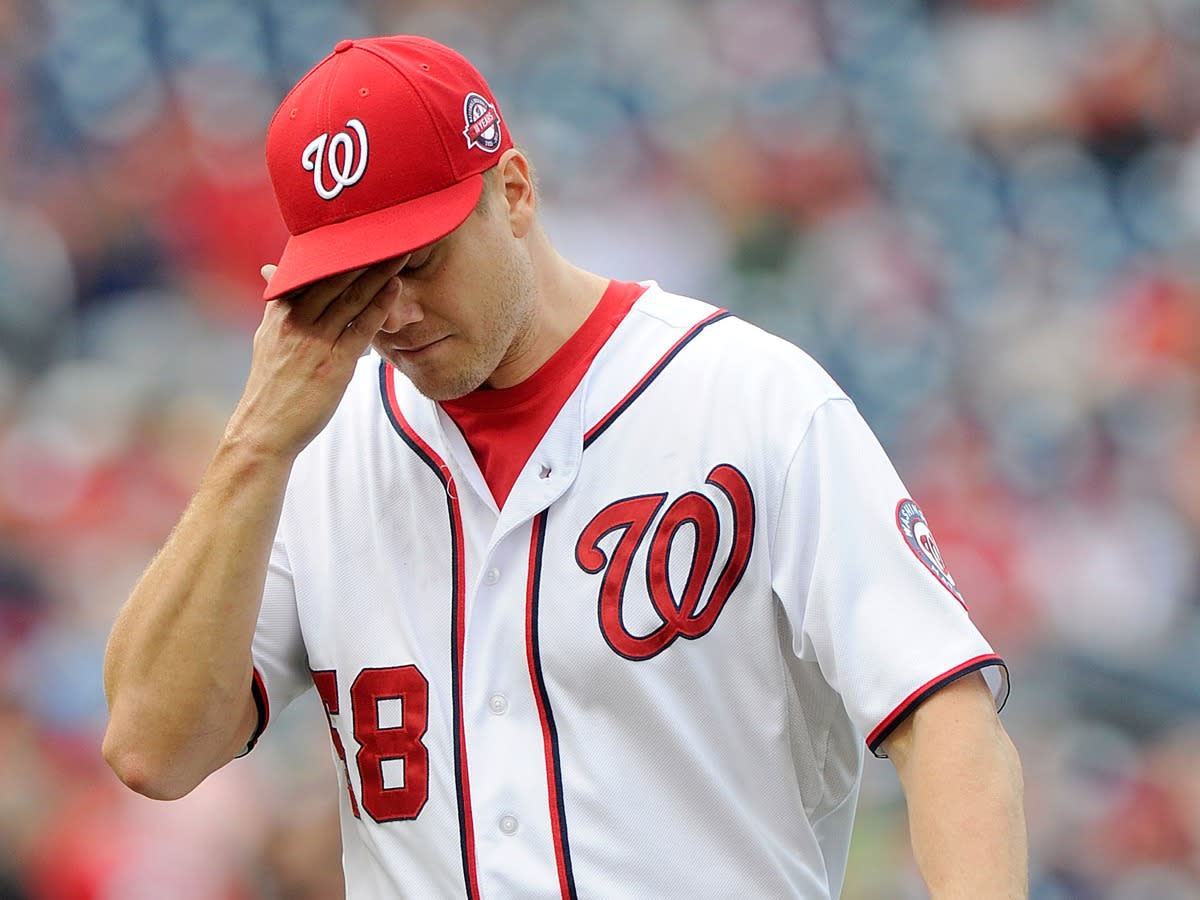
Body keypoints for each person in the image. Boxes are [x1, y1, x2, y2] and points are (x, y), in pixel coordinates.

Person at [102, 34, 1027, 899]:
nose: (392, 313)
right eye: (347, 283)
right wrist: (251, 448)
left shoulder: (751, 400)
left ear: (513, 190)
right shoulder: (313, 456)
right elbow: (152, 748)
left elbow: (949, 726)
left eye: (417, 262)